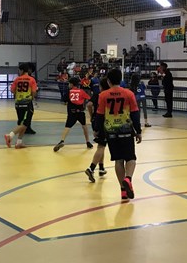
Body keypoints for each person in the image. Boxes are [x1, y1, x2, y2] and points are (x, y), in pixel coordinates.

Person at [94, 68, 142, 200]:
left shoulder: (103, 95)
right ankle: (128, 178)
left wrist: (97, 129)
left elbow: (99, 114)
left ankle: (123, 191)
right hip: (126, 130)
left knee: (118, 160)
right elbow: (135, 114)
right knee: (131, 159)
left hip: (111, 132)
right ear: (120, 79)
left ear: (108, 81)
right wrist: (138, 131)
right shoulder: (128, 94)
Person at [53, 77, 93, 153]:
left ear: (71, 84)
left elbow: (64, 99)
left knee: (67, 127)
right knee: (84, 126)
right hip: (80, 112)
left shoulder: (69, 91)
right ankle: (88, 142)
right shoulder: (81, 91)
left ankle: (62, 140)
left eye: (69, 83)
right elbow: (89, 98)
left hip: (72, 112)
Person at [4, 63, 38, 149]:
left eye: (19, 70)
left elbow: (12, 90)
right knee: (25, 124)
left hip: (18, 104)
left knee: (22, 123)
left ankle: (19, 142)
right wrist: (31, 97)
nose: (19, 72)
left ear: (22, 70)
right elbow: (34, 92)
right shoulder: (32, 79)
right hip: (27, 104)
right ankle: (10, 135)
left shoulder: (17, 79)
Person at [85, 77, 110, 182]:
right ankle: (91, 168)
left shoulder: (97, 95)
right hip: (104, 122)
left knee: (101, 145)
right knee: (101, 146)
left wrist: (92, 115)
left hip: (96, 120)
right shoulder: (108, 95)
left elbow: (89, 105)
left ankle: (101, 168)